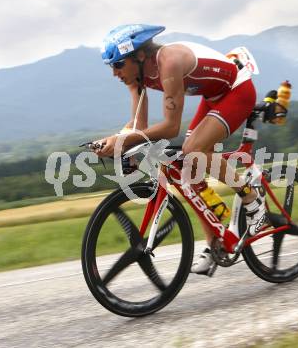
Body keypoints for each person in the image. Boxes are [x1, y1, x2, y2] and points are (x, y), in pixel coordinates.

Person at [96, 24, 266, 276]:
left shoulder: (170, 63)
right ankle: (215, 242)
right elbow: (138, 127)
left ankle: (251, 198)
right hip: (213, 98)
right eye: (111, 67)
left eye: (118, 65)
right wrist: (117, 142)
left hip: (237, 91)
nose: (115, 73)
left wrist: (123, 141)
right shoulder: (136, 77)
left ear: (140, 56)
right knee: (187, 166)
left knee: (194, 149)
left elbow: (170, 127)